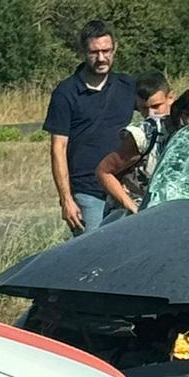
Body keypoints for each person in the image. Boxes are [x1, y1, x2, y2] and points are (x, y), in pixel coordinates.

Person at [44, 20, 136, 235]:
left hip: (124, 189)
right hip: (87, 192)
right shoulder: (66, 92)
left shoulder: (128, 86)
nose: (101, 58)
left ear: (115, 48)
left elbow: (157, 113)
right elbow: (58, 148)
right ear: (83, 52)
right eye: (94, 52)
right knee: (90, 257)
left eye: (106, 51)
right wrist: (66, 199)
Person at [96, 70, 175, 217]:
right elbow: (103, 171)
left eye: (156, 106)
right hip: (131, 218)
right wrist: (133, 209)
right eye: (144, 108)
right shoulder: (141, 135)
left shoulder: (182, 128)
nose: (151, 114)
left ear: (171, 97)